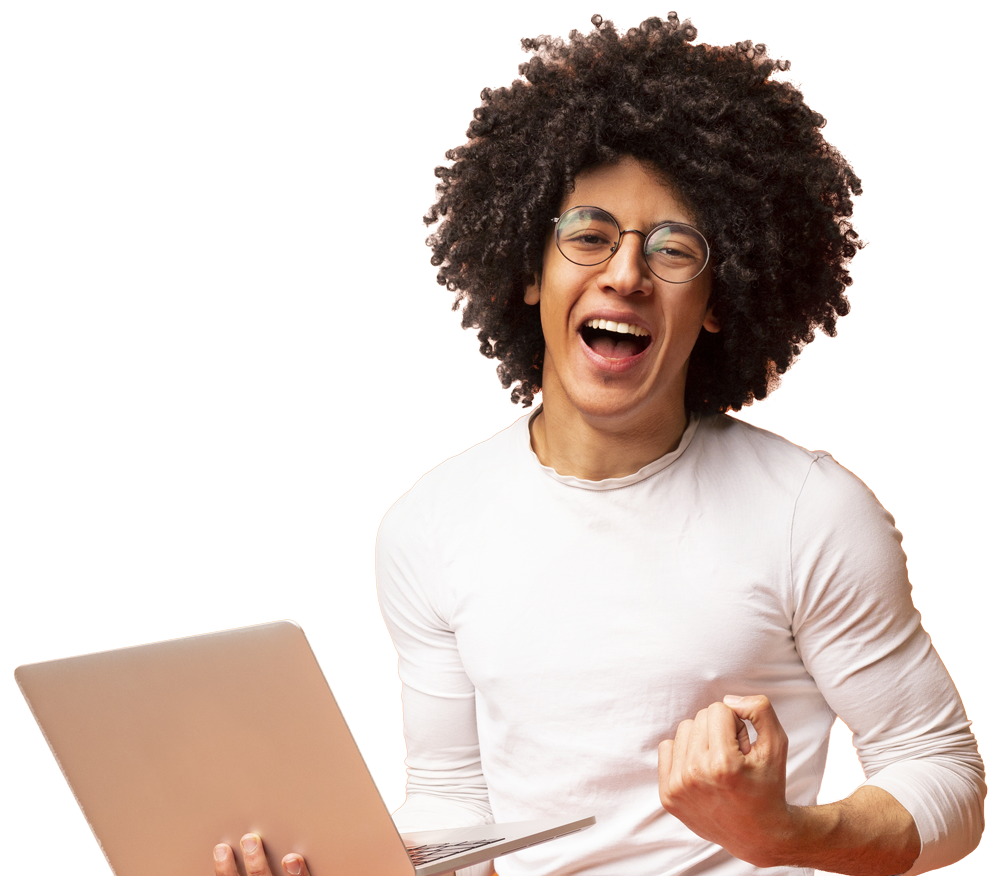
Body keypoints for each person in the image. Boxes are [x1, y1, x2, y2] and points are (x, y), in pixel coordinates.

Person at [215, 13, 984, 876]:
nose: (625, 273)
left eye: (673, 248)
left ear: (719, 300)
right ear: (529, 269)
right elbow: (454, 808)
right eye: (588, 235)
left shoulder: (810, 514)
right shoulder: (429, 524)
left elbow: (945, 777)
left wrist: (785, 835)